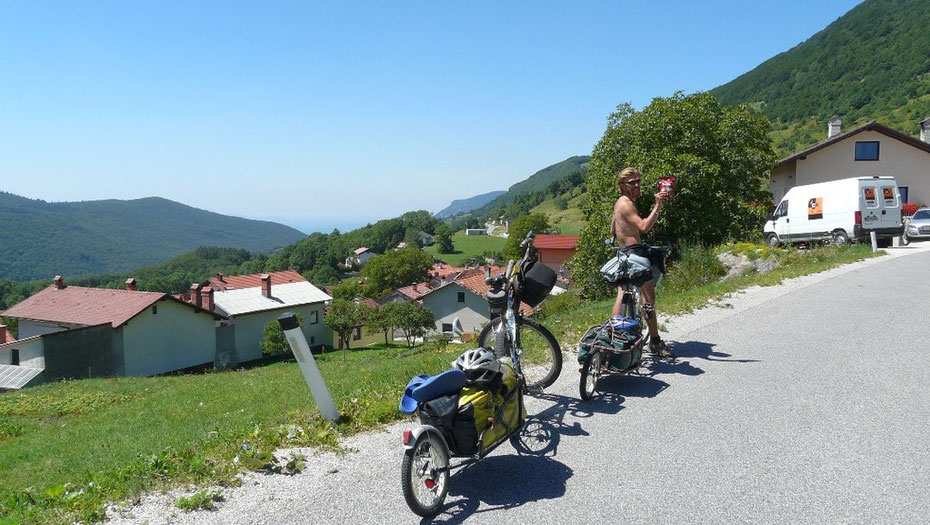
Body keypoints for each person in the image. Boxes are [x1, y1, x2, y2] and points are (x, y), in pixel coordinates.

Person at [610, 167, 672, 359]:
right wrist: (658, 205)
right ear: (622, 186)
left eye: (638, 181)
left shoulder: (620, 203)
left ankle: (615, 336)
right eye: (632, 182)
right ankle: (655, 341)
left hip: (623, 253)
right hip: (635, 253)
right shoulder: (627, 204)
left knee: (622, 292)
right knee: (649, 299)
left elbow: (613, 226)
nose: (636, 185)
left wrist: (619, 237)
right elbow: (644, 227)